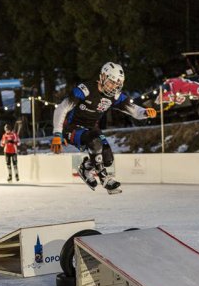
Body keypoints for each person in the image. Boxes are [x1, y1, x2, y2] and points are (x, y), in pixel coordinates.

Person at [50, 62, 157, 194]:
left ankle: (86, 167)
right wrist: (57, 134)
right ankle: (105, 179)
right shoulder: (85, 89)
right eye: (111, 83)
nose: (113, 87)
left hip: (91, 129)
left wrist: (145, 112)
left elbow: (133, 110)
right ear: (102, 77)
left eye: (117, 85)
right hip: (72, 128)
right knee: (95, 142)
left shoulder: (114, 96)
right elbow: (62, 108)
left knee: (107, 159)